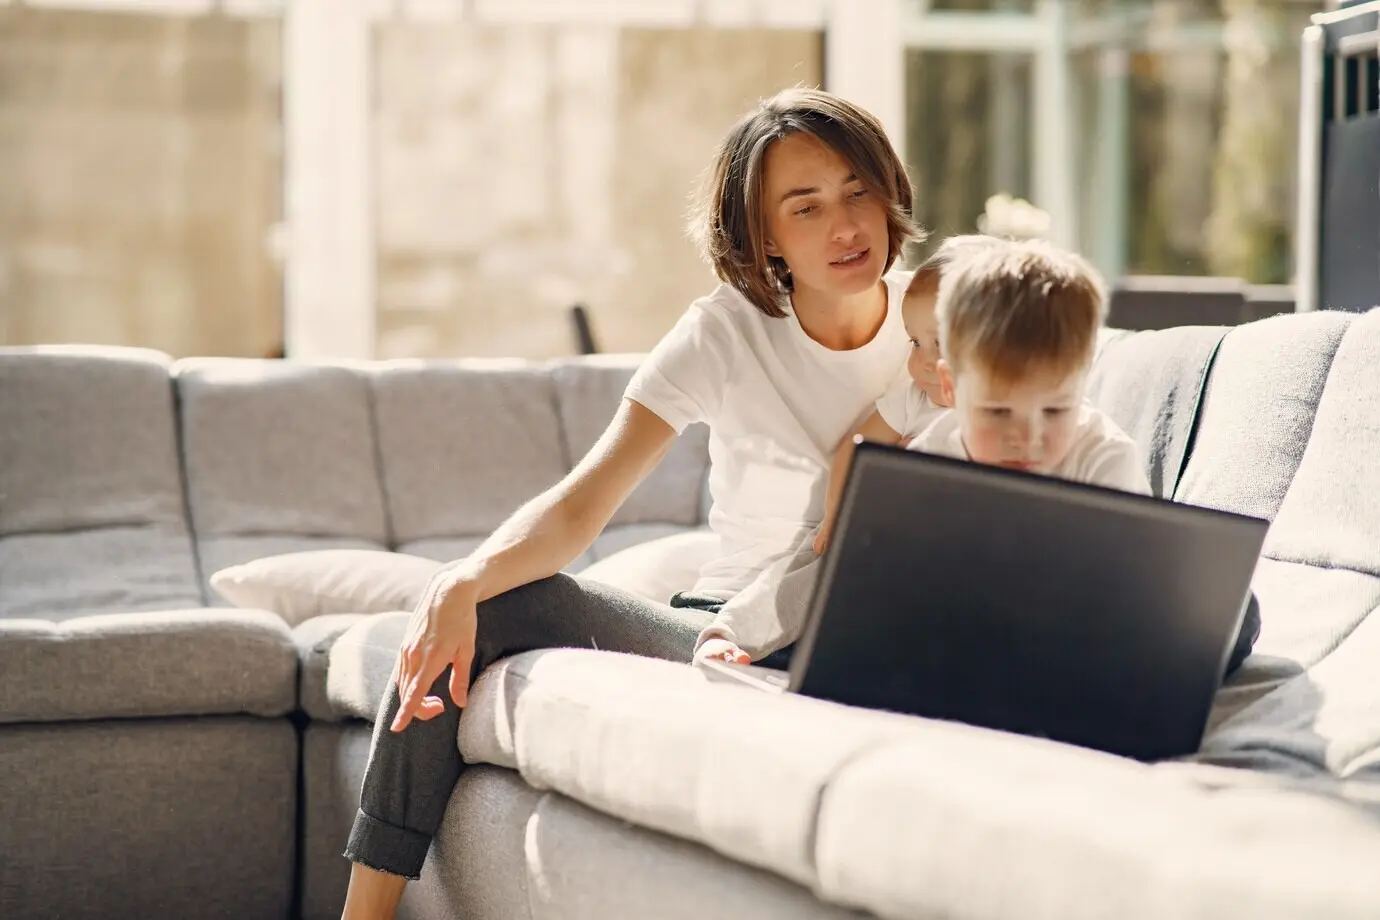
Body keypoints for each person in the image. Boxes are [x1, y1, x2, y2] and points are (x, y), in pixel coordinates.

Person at [339, 86, 923, 919]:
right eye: (808, 206)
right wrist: (462, 582)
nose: (846, 226)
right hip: (730, 633)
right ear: (765, 239)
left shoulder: (944, 321)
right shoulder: (725, 332)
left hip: (881, 639)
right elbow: (583, 507)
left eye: (858, 191)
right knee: (475, 616)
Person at [692, 237, 1151, 667]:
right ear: (950, 386)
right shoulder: (936, 450)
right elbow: (854, 562)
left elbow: (1133, 597)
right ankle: (734, 634)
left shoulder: (1105, 459)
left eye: (1054, 410)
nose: (1026, 438)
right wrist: (734, 629)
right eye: (997, 412)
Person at [812, 233, 1001, 555]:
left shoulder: (1014, 416)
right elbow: (853, 452)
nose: (924, 362)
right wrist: (835, 516)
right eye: (915, 343)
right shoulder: (914, 400)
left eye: (940, 344)